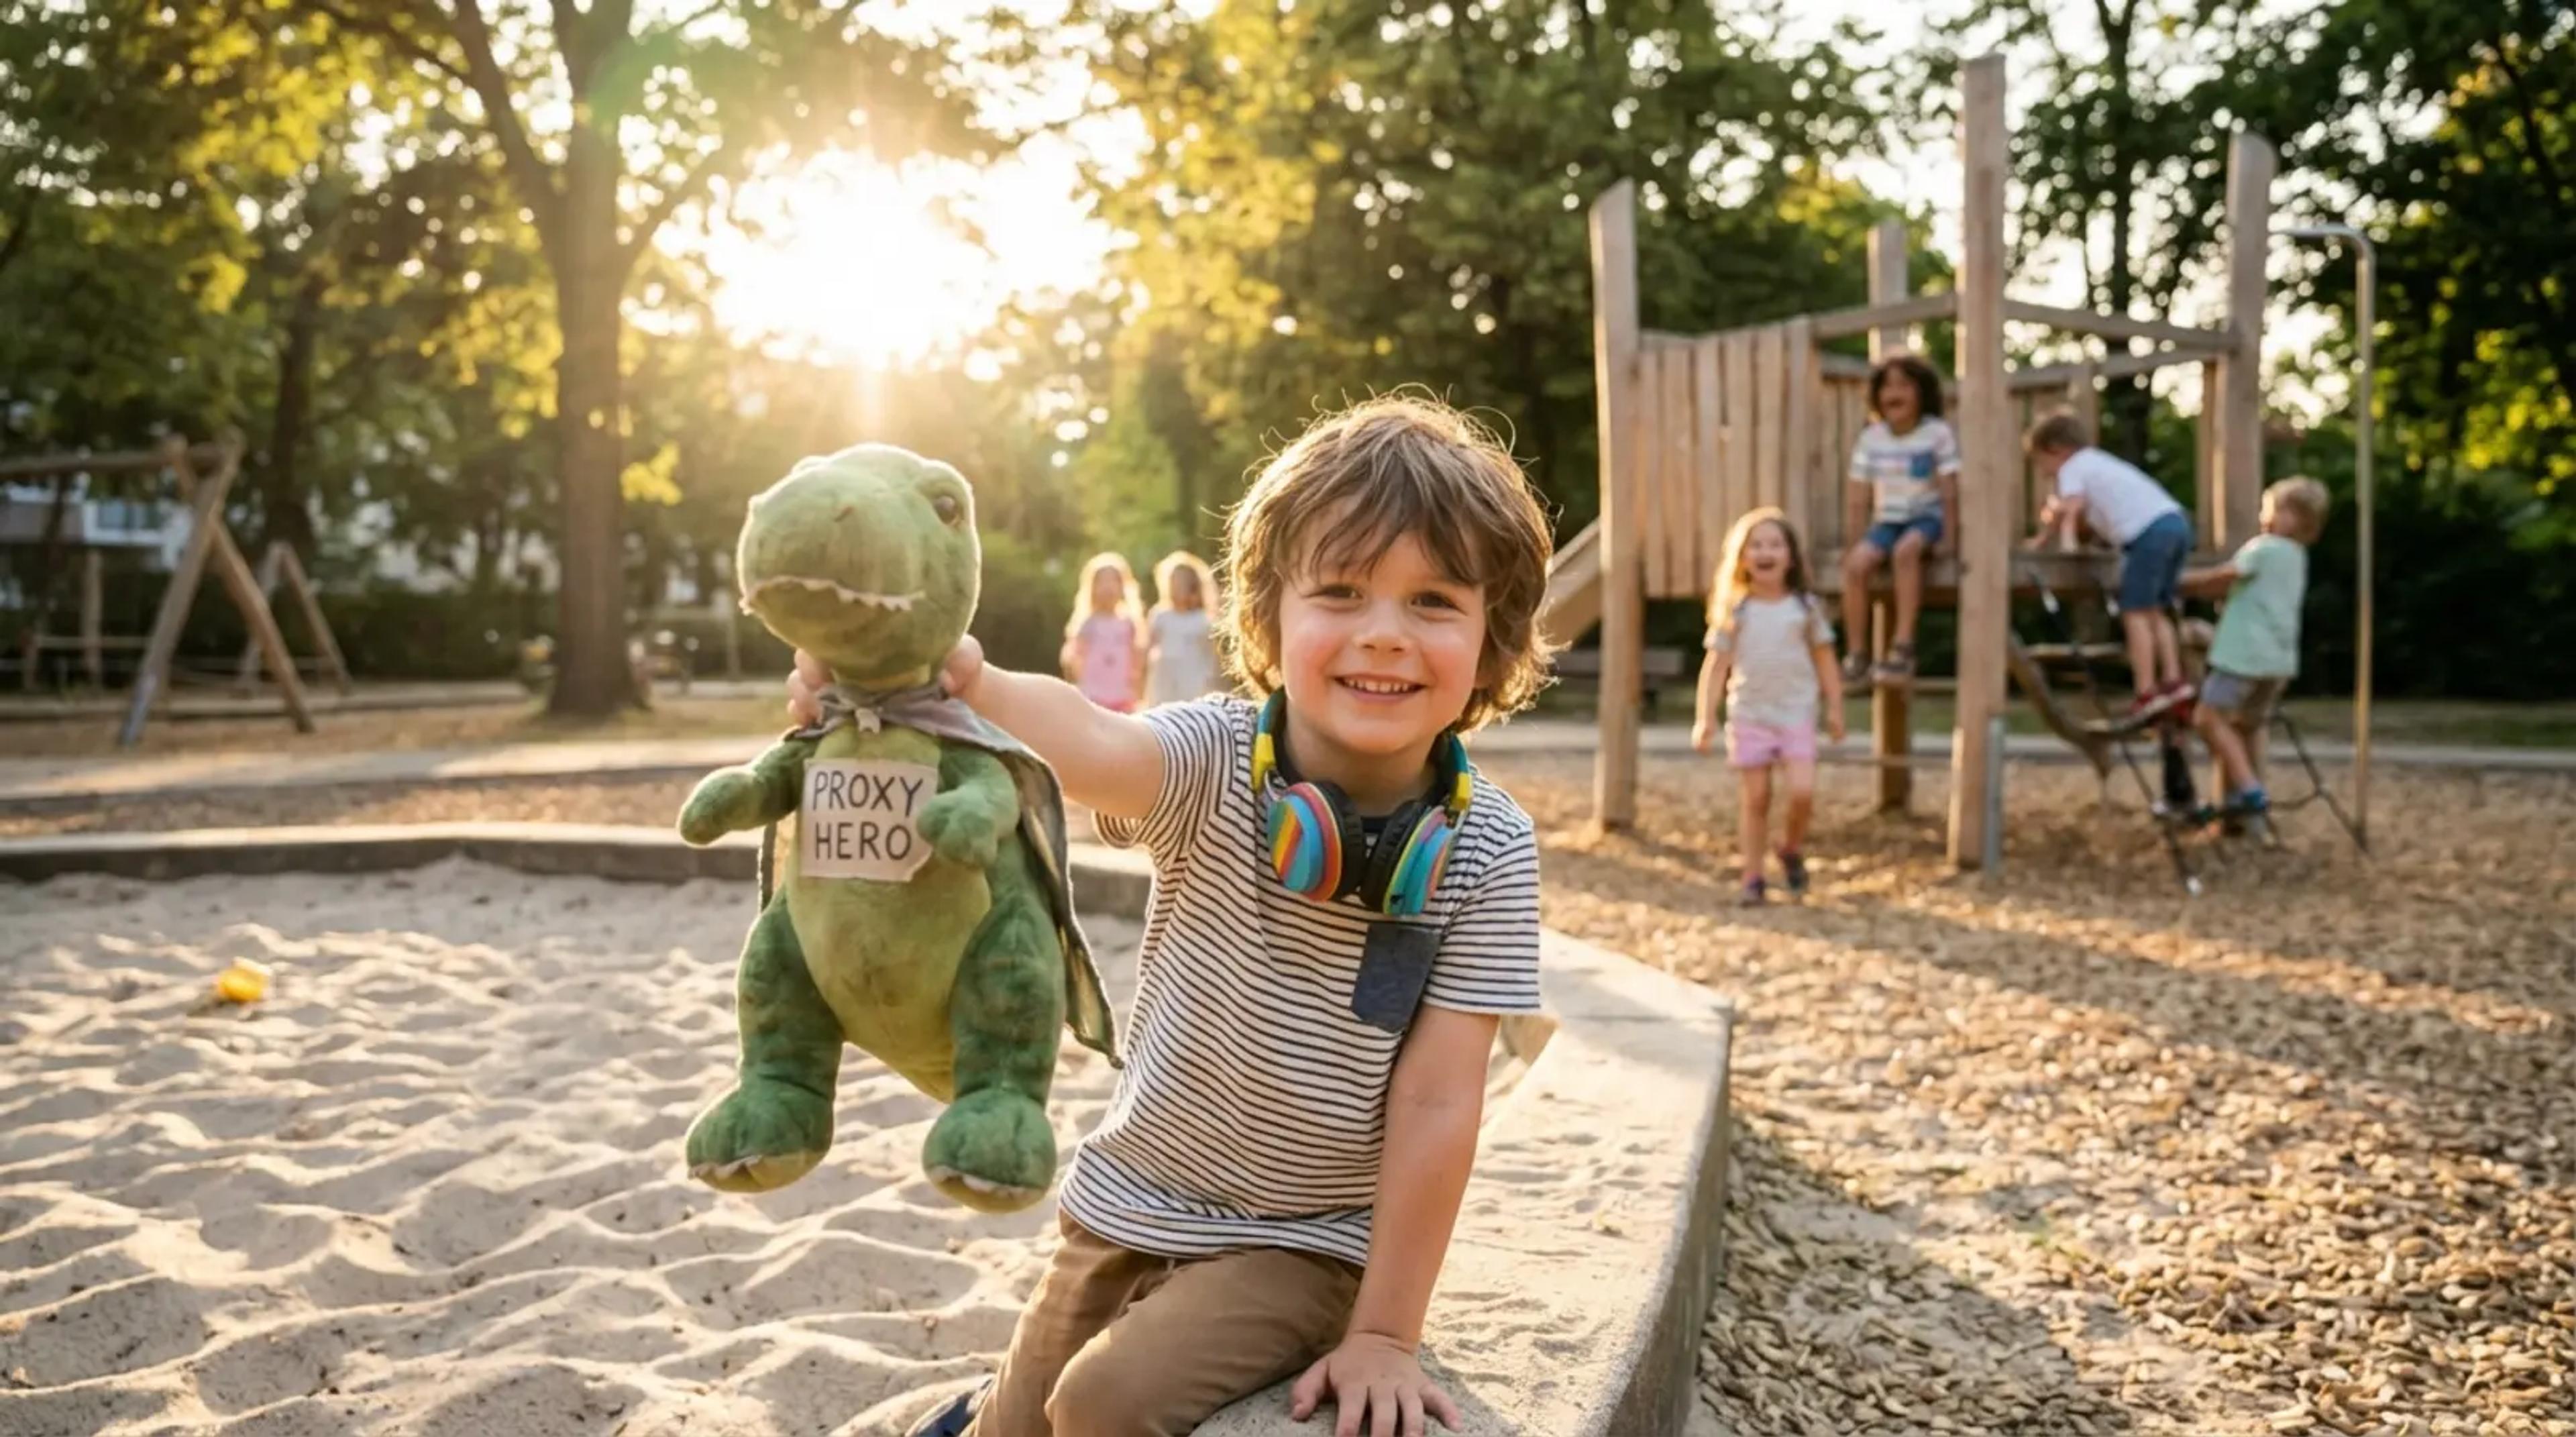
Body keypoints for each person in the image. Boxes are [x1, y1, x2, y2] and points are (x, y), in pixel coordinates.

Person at [791, 394, 1554, 1437]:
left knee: (1102, 1404)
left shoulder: (1490, 849)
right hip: (1129, 1195)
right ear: (1269, 620)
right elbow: (1092, 738)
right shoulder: (1213, 758)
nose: (1385, 633)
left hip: (1307, 1241)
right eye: (1340, 590)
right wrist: (941, 676)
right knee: (1013, 1426)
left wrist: (1384, 1332)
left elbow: (1437, 1105)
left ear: (1492, 636)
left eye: (1434, 601)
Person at [1692, 507, 1845, 906]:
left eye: (1775, 544)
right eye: (1756, 545)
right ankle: (1753, 877)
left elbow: (1826, 661)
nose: (1766, 551)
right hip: (1751, 716)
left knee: (1802, 791)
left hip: (1796, 715)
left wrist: (1836, 710)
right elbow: (1715, 667)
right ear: (1742, 558)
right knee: (1755, 798)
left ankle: (1790, 847)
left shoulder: (1805, 609)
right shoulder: (1736, 612)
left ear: (1790, 557)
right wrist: (1705, 718)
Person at [2026, 412, 2196, 723]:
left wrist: (2065, 542)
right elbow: (2087, 512)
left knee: (2134, 611)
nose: (2046, 475)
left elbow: (2072, 507)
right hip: (2176, 524)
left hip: (2149, 535)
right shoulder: (2099, 463)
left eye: (2042, 465)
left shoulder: (2072, 468)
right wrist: (2046, 535)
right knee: (2157, 610)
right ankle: (2174, 682)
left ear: (2055, 450)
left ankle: (2146, 691)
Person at [2179, 476, 2331, 819]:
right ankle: (2242, 796)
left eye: (2271, 510)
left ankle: (2248, 789)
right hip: (2277, 663)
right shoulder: (2297, 556)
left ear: (2291, 517)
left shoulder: (2263, 548)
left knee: (2208, 717)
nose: (2264, 518)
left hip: (2243, 658)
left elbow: (2221, 578)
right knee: (2247, 724)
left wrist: (2177, 582)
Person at [1839, 354, 1960, 687]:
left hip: (1926, 518)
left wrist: (1949, 538)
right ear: (1877, 395)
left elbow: (1949, 490)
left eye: (1905, 385)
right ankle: (1857, 653)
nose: (1895, 393)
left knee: (1906, 553)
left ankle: (1903, 645)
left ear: (1922, 393)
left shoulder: (1936, 434)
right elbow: (1858, 496)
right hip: (1887, 521)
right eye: (1888, 386)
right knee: (1856, 566)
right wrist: (1855, 543)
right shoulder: (1872, 438)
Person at [1061, 553, 1146, 712]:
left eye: (1114, 581)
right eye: (1102, 582)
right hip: (1093, 695)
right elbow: (1074, 658)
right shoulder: (1088, 623)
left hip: (1122, 695)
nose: (1108, 587)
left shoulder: (1129, 624)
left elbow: (1137, 660)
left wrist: (1136, 689)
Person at [1141, 549, 1223, 706]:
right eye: (1173, 582)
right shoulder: (1161, 616)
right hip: (1164, 678)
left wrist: (1212, 681)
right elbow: (1149, 646)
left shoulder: (1203, 620)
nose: (1177, 588)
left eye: (1182, 583)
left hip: (1192, 678)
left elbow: (1212, 655)